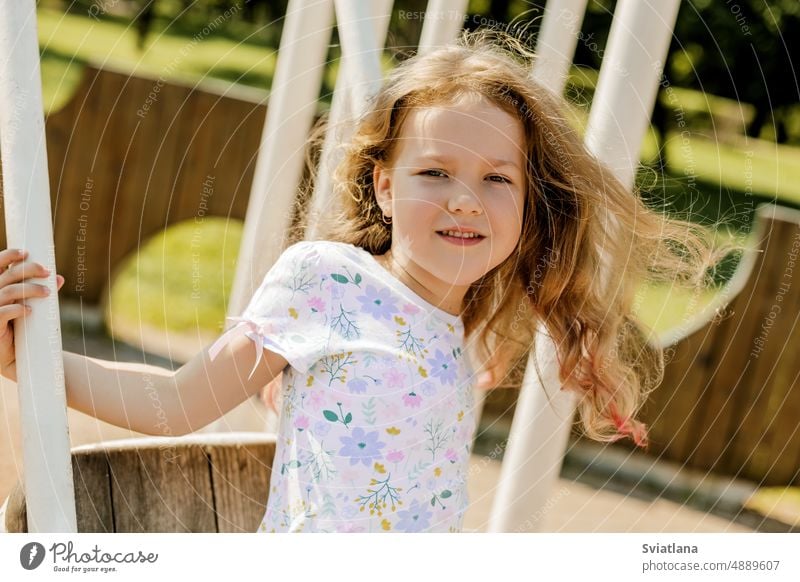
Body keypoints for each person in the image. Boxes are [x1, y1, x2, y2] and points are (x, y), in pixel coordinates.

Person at [0, 30, 735, 532]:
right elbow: (180, 399)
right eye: (434, 172)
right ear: (384, 186)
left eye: (495, 179)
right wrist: (35, 363)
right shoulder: (326, 279)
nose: (463, 199)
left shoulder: (469, 322)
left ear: (527, 201)